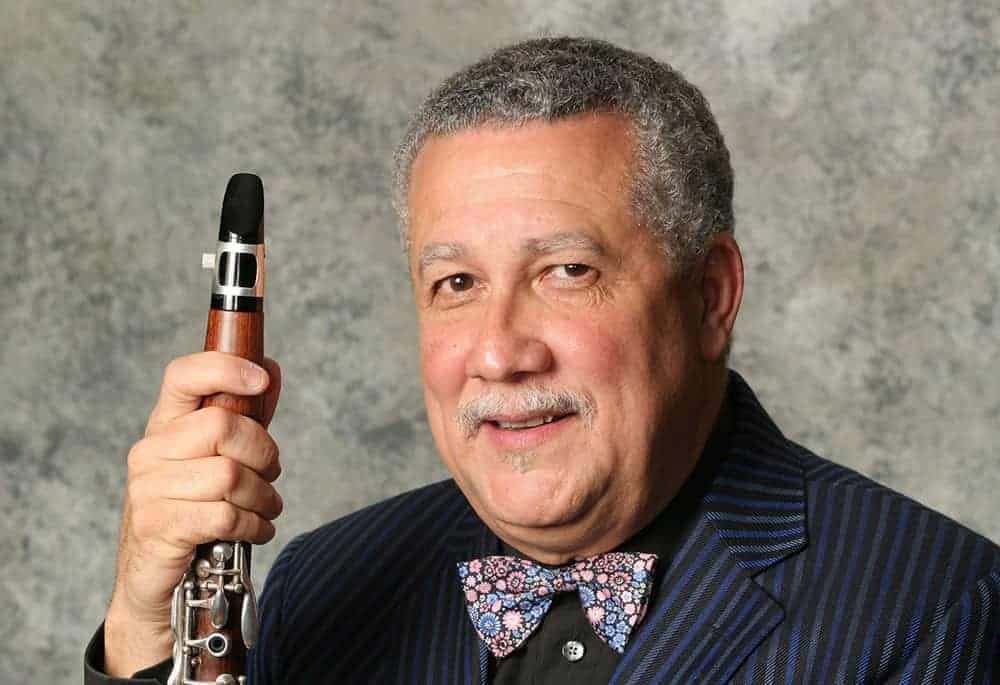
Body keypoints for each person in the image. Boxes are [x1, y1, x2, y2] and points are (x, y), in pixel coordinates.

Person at [85, 37, 998, 684]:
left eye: (567, 270)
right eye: (455, 284)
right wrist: (137, 629)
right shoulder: (323, 585)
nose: (497, 351)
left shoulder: (933, 608)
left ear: (710, 295)